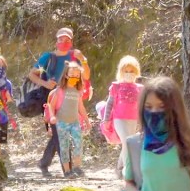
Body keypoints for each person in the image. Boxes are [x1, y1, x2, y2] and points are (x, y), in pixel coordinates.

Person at [28, 27, 91, 176]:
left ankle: (44, 163)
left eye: (67, 39)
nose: (64, 42)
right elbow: (32, 74)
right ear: (56, 41)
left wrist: (83, 59)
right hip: (52, 98)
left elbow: (86, 76)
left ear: (71, 41)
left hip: (70, 98)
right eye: (60, 39)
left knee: (58, 133)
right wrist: (45, 84)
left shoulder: (75, 56)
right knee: (58, 132)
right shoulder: (48, 57)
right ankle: (68, 170)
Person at [45, 61, 90, 177]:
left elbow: (80, 107)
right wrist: (53, 117)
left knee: (78, 143)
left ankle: (77, 167)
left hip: (75, 122)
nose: (74, 77)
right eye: (72, 74)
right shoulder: (60, 90)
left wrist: (86, 120)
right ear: (66, 75)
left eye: (77, 75)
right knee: (64, 146)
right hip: (62, 123)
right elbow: (51, 105)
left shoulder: (78, 91)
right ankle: (67, 171)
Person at [101, 55, 144, 149]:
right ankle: (128, 164)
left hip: (133, 120)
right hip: (119, 119)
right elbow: (110, 103)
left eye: (132, 71)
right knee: (126, 142)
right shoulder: (116, 86)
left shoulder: (140, 89)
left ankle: (121, 164)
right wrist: (106, 119)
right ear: (121, 72)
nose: (129, 73)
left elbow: (142, 106)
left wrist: (142, 122)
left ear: (136, 71)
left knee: (130, 144)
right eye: (126, 71)